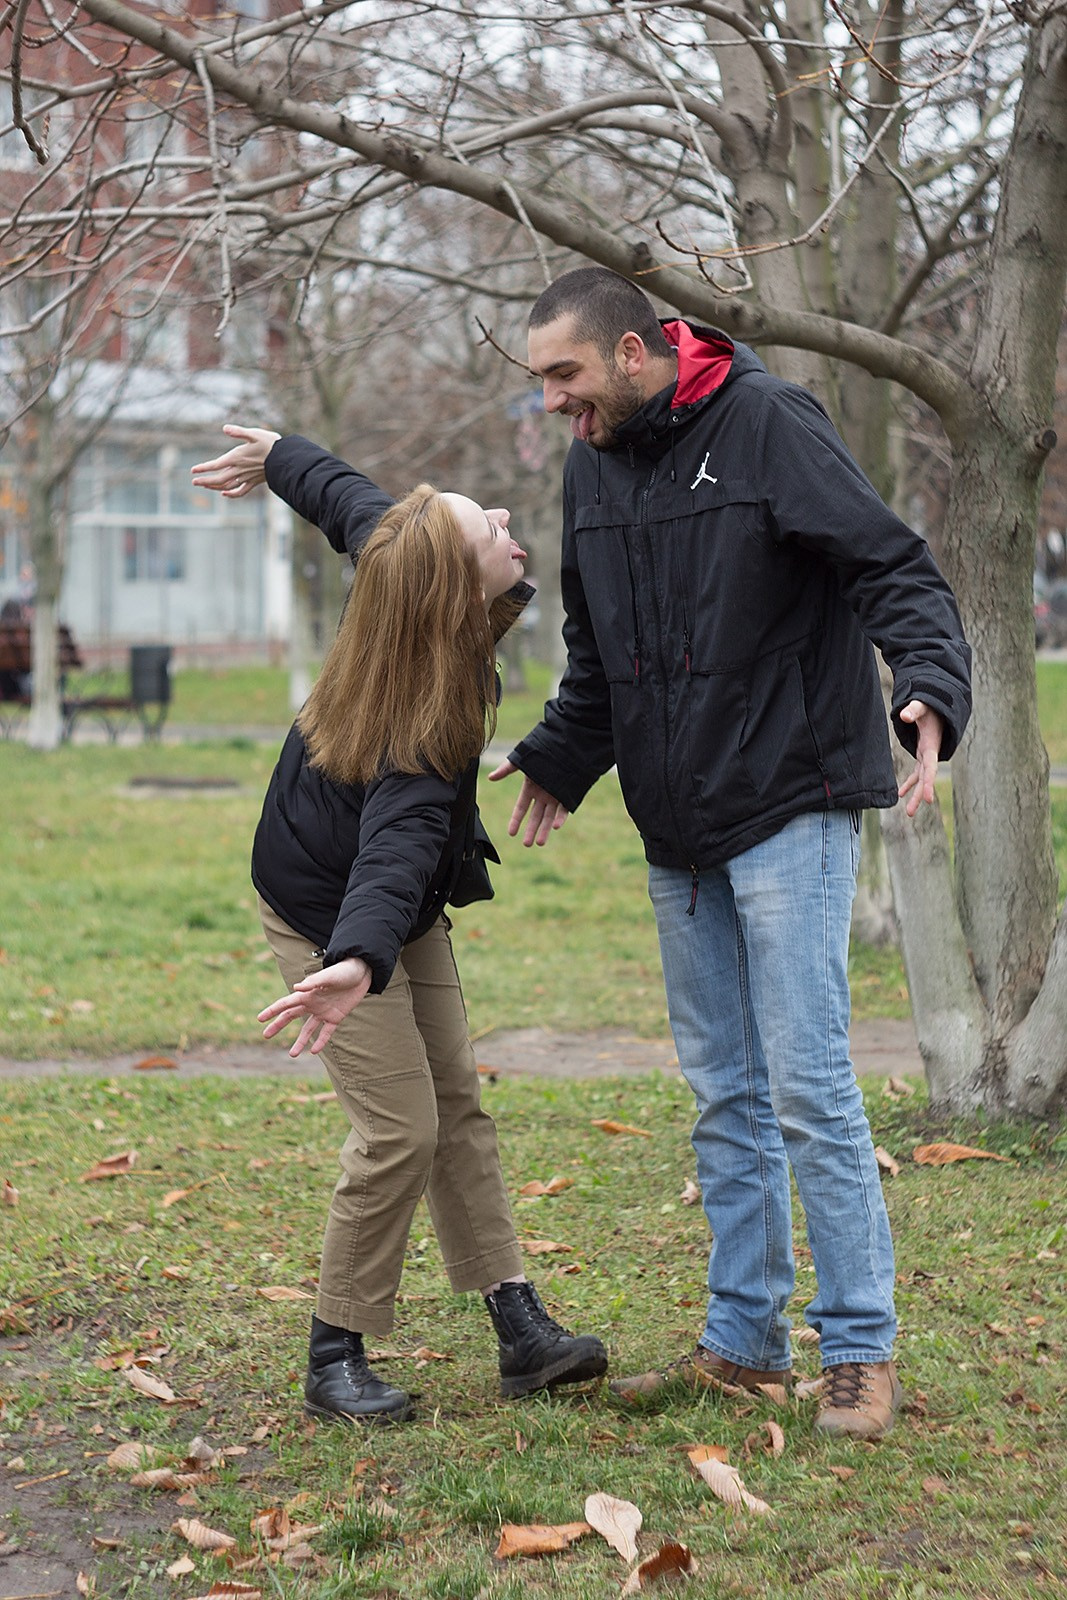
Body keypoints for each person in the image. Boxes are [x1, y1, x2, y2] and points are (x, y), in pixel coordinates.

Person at [489, 267, 972, 1441]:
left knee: (807, 1083)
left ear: (639, 351)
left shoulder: (767, 424)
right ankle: (745, 1346)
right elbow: (597, 650)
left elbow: (888, 565)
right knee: (722, 1097)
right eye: (543, 379)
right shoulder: (592, 464)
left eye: (566, 373)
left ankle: (857, 1348)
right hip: (678, 828)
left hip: (791, 801)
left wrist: (927, 684)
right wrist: (560, 752)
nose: (552, 400)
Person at [190, 426, 608, 1424]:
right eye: (486, 528)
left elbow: (351, 502)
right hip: (325, 911)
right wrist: (355, 959)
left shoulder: (412, 569)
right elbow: (392, 846)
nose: (504, 519)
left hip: (390, 900)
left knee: (455, 1098)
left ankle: (519, 1328)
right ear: (457, 589)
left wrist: (282, 453)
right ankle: (334, 1354)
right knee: (399, 1127)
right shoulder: (424, 713)